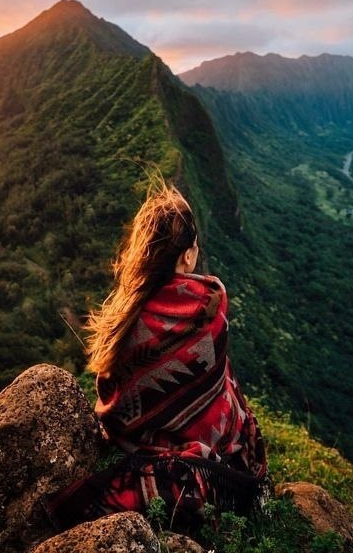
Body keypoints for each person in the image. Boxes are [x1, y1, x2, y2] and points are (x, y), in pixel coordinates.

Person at [45, 182, 269, 531]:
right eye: (193, 246)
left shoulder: (122, 317)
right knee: (223, 374)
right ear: (187, 256)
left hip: (137, 439)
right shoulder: (210, 302)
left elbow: (114, 405)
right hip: (216, 453)